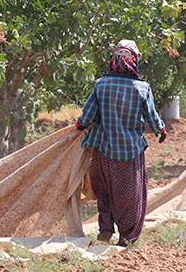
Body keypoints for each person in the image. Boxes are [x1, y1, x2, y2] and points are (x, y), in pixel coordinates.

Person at [76, 40, 167, 247]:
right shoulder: (142, 88)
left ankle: (105, 230)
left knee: (104, 191)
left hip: (103, 153)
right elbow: (151, 117)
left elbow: (87, 117)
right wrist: (160, 130)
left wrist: (80, 125)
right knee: (130, 196)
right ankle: (127, 238)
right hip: (130, 153)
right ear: (134, 61)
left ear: (113, 60)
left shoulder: (101, 84)